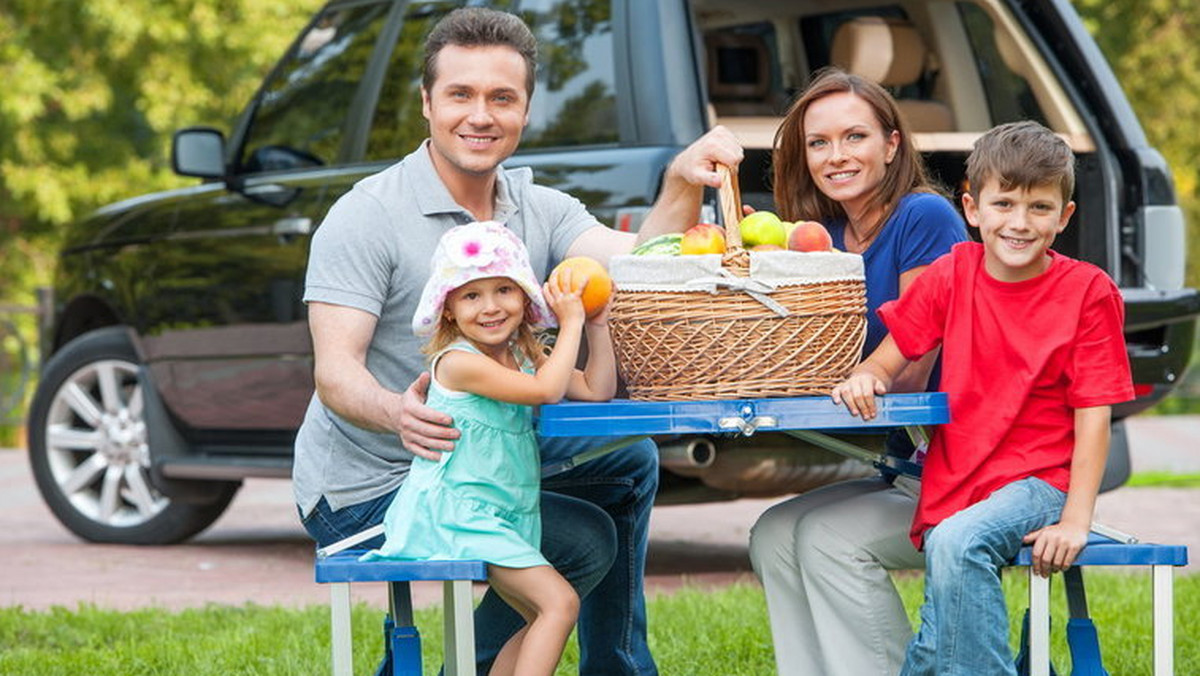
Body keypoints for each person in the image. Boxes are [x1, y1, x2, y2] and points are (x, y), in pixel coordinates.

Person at [292, 7, 741, 675]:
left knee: (628, 459)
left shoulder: (539, 207)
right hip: (374, 482)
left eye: (502, 97)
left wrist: (679, 180)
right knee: (583, 541)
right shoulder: (367, 215)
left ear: (526, 109)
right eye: (461, 95)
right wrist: (397, 412)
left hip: (480, 457)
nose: (482, 115)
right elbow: (335, 374)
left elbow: (639, 262)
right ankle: (460, 668)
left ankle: (615, 666)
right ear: (427, 102)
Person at [832, 120, 1134, 675]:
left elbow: (1095, 413)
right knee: (931, 651)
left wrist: (1075, 520)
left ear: (1063, 217)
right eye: (1004, 204)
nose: (1019, 223)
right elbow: (888, 358)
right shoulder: (951, 274)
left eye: (1039, 208)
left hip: (1042, 481)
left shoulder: (1088, 291)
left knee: (958, 543)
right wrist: (865, 376)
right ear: (973, 209)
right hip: (958, 483)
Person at [746, 67, 967, 676]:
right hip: (907, 468)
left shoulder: (925, 218)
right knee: (772, 534)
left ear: (892, 144)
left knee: (827, 541)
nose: (835, 156)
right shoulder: (826, 238)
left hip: (958, 475)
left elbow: (909, 370)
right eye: (819, 143)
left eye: (855, 137)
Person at [364, 221, 616, 676]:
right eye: (471, 296)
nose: (491, 307)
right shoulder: (459, 362)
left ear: (524, 297)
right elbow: (546, 391)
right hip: (458, 513)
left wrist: (595, 324)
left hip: (501, 511)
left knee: (541, 613)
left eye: (504, 289)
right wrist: (572, 321)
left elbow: (596, 390)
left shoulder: (523, 355)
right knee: (559, 605)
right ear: (449, 311)